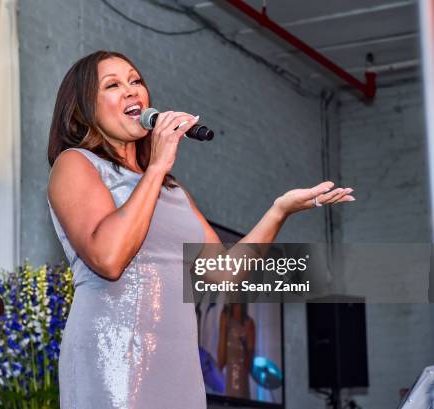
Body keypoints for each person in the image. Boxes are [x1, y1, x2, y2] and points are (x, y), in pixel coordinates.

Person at [47, 50, 354, 409]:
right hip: (114, 355)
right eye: (113, 85)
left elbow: (225, 275)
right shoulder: (76, 164)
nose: (132, 90)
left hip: (178, 364)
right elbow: (109, 258)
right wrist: (157, 165)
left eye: (135, 80)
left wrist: (279, 209)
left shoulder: (171, 191)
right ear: (84, 109)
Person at [217, 303, 255, 398]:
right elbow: (221, 363)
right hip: (229, 388)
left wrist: (245, 344)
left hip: (242, 388)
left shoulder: (249, 323)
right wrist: (223, 326)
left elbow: (249, 366)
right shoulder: (226, 320)